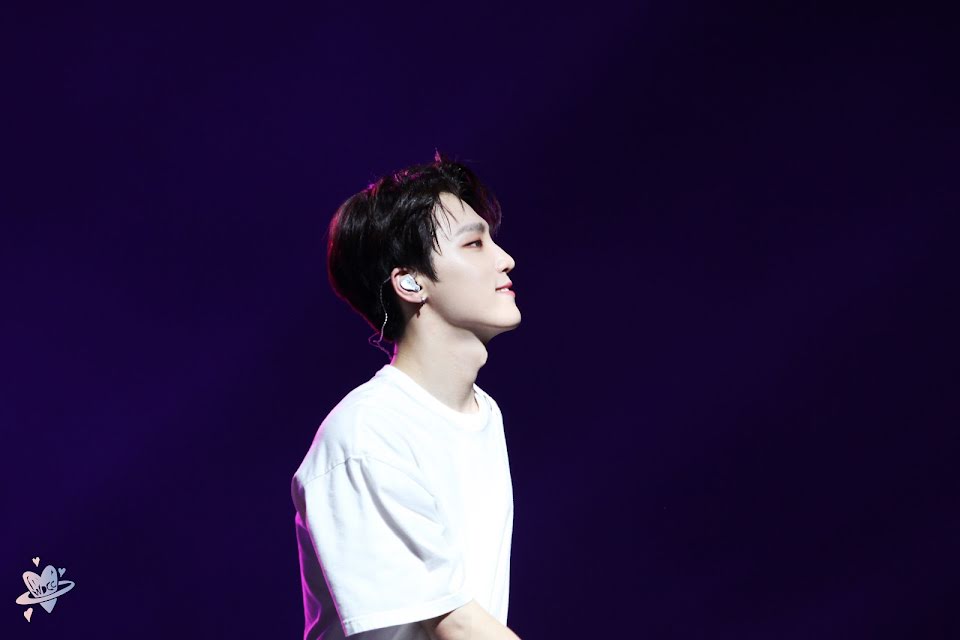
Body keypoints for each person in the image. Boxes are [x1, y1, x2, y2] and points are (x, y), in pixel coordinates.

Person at [290, 152, 523, 640]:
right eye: (474, 243)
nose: (505, 259)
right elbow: (455, 623)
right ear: (411, 282)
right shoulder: (367, 434)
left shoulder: (483, 413)